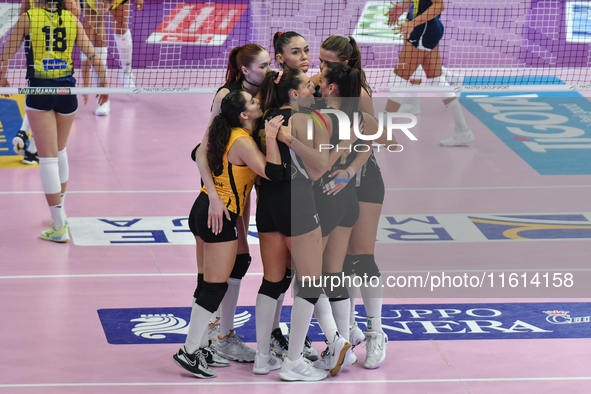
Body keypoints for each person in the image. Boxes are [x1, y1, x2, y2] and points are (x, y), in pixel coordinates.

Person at [174, 89, 284, 379]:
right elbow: (271, 171)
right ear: (244, 115)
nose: (257, 101)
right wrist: (272, 137)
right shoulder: (243, 141)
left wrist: (212, 195)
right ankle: (188, 351)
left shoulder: (226, 133)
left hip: (204, 209)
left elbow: (196, 152)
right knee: (214, 287)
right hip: (220, 216)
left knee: (209, 280)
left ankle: (201, 345)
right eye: (252, 102)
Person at [254, 68, 352, 381]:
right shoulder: (302, 121)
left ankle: (262, 358)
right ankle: (293, 362)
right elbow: (319, 168)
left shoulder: (266, 116)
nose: (314, 92)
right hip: (296, 203)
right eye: (309, 87)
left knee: (272, 281)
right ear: (294, 94)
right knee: (309, 284)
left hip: (265, 203)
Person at [0, 0, 109, 242]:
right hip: (66, 93)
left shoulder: (29, 17)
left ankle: (59, 226)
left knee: (47, 159)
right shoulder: (71, 19)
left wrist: (2, 76)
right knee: (60, 152)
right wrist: (105, 84)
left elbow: (7, 51)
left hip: (40, 92)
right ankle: (61, 213)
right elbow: (93, 54)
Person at [311, 35, 390, 369]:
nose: (321, 66)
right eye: (320, 59)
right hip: (330, 179)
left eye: (328, 61)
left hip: (362, 178)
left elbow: (371, 137)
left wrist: (350, 171)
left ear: (345, 63)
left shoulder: (359, 93)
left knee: (362, 258)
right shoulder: (316, 85)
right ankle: (348, 330)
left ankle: (376, 332)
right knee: (336, 263)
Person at [193, 44, 271, 364]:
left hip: (246, 186)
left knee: (240, 260)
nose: (270, 69)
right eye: (264, 65)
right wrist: (212, 196)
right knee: (219, 269)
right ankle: (211, 335)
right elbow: (203, 149)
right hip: (221, 190)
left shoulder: (268, 90)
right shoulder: (228, 95)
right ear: (245, 71)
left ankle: (218, 335)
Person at [385, 0, 474, 146]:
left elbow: (439, 5)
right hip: (423, 28)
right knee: (437, 81)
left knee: (398, 81)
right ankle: (463, 131)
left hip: (423, 30)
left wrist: (413, 23)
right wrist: (404, 7)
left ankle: (382, 134)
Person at [12, 0, 80, 165]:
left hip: (37, 47)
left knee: (38, 96)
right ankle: (31, 151)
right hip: (58, 60)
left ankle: (24, 134)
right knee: (50, 114)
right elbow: (74, 16)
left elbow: (22, 14)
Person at [80, 0, 144, 116]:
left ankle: (127, 73)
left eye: (103, 7)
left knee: (121, 31)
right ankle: (103, 96)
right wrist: (85, 84)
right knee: (98, 41)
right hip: (92, 5)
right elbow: (86, 48)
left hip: (119, 2)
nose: (101, 9)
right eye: (99, 6)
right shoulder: (91, 3)